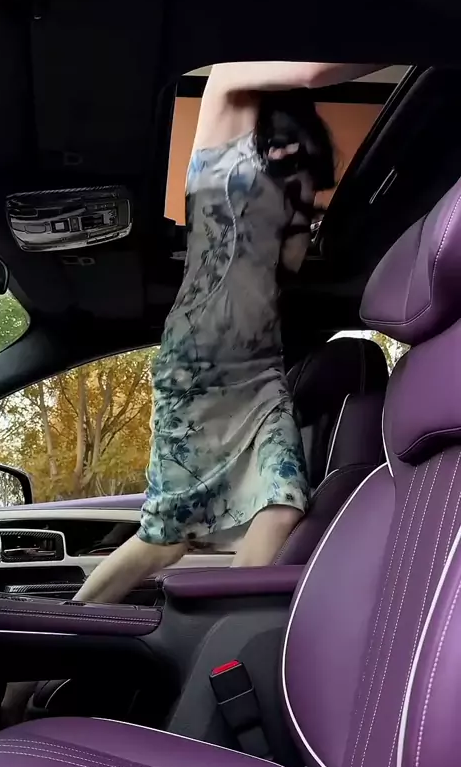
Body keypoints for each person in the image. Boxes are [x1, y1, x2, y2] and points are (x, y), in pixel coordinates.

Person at [75, 61, 384, 604]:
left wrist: (295, 202)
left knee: (283, 506)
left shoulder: (293, 175)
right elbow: (314, 72)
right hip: (198, 356)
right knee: (167, 538)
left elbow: (285, 268)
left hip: (262, 365)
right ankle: (59, 639)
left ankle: (228, 628)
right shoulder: (223, 92)